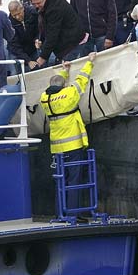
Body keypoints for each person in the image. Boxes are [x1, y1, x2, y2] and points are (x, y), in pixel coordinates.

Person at [40, 51, 97, 214]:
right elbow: (82, 80)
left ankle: (61, 212)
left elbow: (57, 84)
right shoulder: (69, 95)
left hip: (57, 148)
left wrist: (64, 71)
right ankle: (73, 213)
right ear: (63, 86)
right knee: (74, 180)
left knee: (61, 180)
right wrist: (90, 61)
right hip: (73, 146)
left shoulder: (44, 98)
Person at [31, 0, 84, 68]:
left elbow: (52, 34)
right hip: (64, 43)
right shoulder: (47, 4)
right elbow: (45, 27)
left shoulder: (54, 8)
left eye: (38, 3)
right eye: (34, 4)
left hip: (72, 44)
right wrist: (41, 39)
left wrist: (43, 57)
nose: (36, 6)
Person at [7, 0, 40, 70]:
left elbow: (40, 29)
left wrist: (38, 39)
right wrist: (28, 60)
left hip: (33, 47)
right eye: (14, 15)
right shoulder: (9, 23)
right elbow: (14, 44)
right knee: (15, 74)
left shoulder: (33, 13)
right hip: (16, 52)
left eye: (18, 13)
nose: (17, 17)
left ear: (22, 9)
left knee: (40, 66)